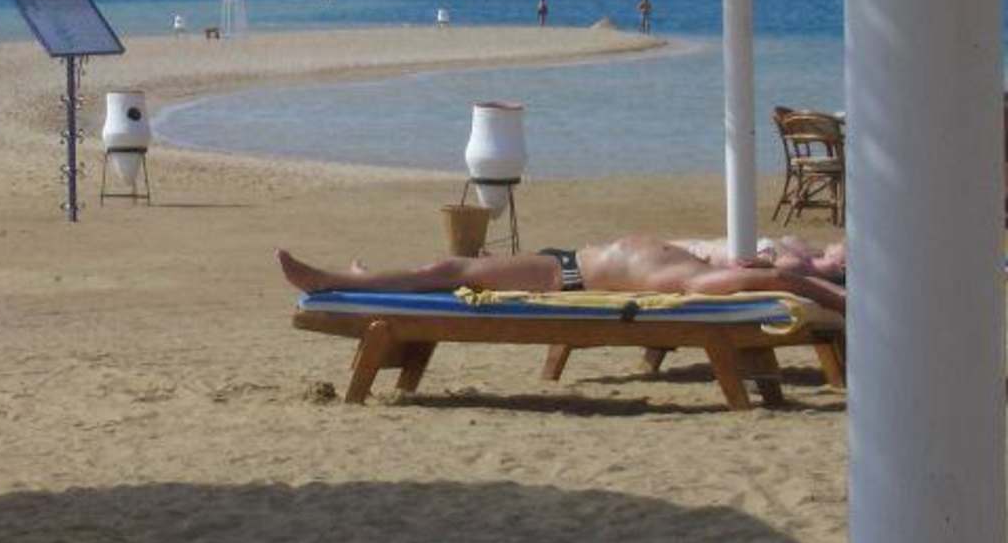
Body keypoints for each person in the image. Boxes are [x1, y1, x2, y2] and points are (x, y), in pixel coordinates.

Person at [278, 232, 846, 315]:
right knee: (447, 268)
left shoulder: (694, 283)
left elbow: (787, 283)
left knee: (447, 268)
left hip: (564, 279)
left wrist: (842, 304)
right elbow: (783, 272)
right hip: (566, 261)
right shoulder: (705, 267)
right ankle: (361, 278)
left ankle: (333, 282)